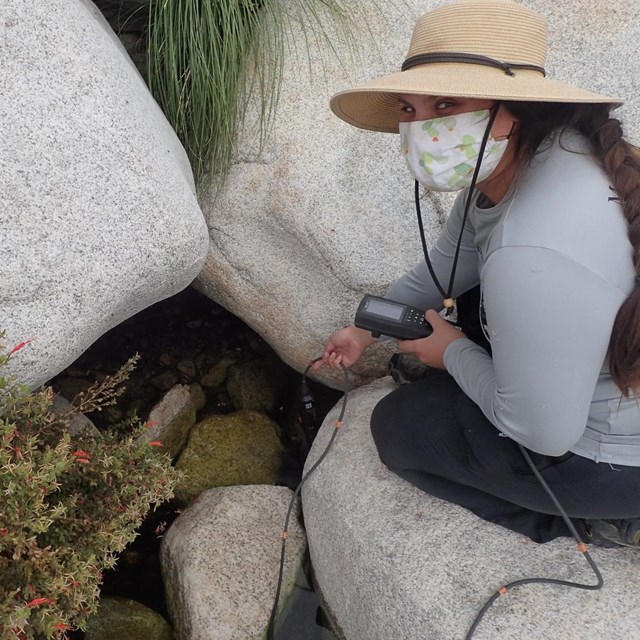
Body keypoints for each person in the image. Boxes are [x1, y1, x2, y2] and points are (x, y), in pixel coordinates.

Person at [316, 0, 640, 546]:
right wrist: (365, 329)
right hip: (590, 354)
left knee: (399, 428)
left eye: (446, 103)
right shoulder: (551, 155)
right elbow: (441, 272)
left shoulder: (531, 248)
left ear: (512, 110)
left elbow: (545, 433)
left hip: (615, 459)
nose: (421, 129)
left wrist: (451, 353)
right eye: (409, 108)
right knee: (464, 314)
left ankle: (594, 524)